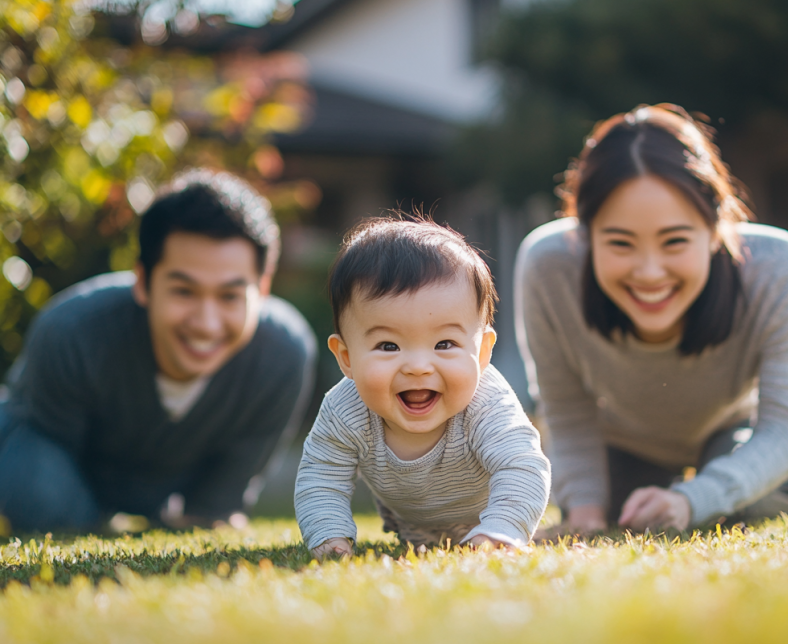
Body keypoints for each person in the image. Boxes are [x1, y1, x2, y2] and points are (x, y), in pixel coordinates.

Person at [515, 104, 788, 536]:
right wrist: (584, 514)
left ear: (715, 228)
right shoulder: (549, 264)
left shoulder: (776, 265)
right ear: (585, 234)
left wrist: (694, 499)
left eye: (674, 241)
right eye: (620, 243)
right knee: (624, 511)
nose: (649, 273)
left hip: (738, 434)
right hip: (623, 442)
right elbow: (565, 408)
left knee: (749, 507)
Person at [0, 169, 316, 532]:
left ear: (262, 289)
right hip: (46, 458)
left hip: (157, 491)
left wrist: (209, 511)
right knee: (47, 501)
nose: (206, 324)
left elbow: (219, 504)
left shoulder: (284, 355)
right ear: (143, 282)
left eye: (230, 296)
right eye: (184, 291)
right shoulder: (71, 332)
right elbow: (46, 460)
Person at [295, 216, 551, 556]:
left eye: (444, 344)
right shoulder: (345, 409)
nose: (418, 367)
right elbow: (321, 477)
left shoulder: (488, 404)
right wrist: (329, 536)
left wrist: (500, 531)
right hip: (412, 527)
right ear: (346, 357)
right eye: (388, 346)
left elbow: (521, 466)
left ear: (482, 353)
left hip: (491, 513)